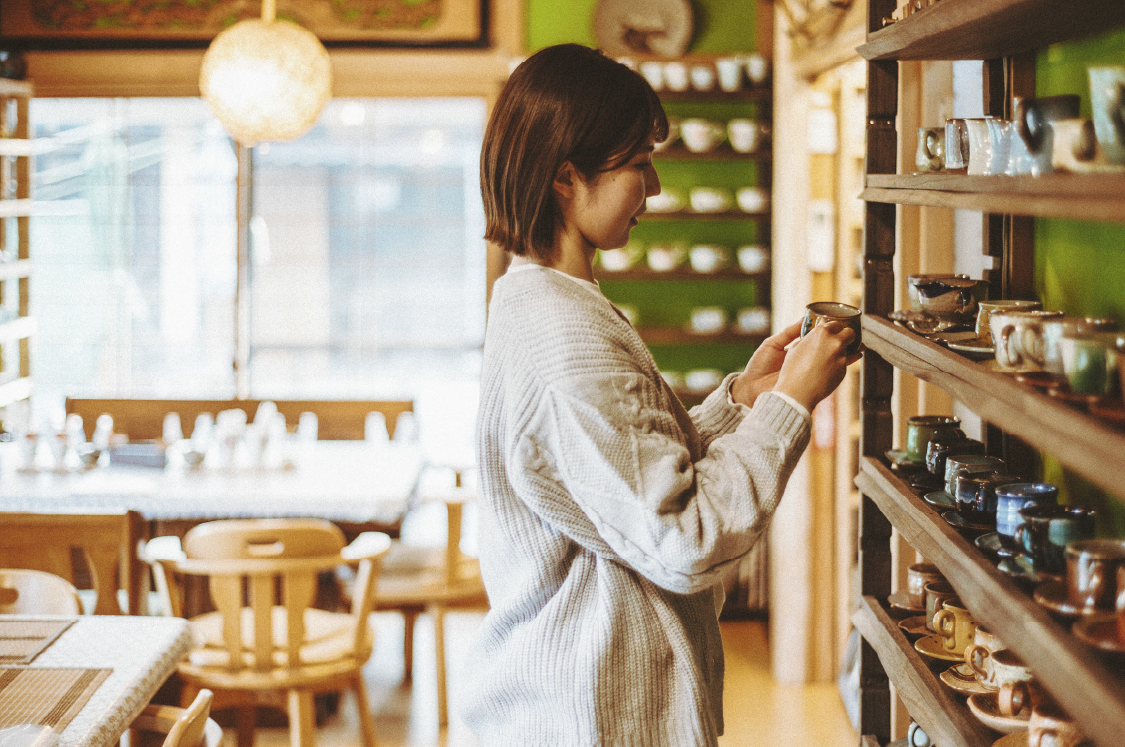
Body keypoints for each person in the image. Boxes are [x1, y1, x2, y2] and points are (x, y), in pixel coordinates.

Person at [462, 43, 859, 745]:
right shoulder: (563, 337)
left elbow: (619, 479)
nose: (654, 185)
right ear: (565, 178)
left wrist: (741, 400)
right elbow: (683, 536)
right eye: (637, 162)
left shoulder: (544, 302)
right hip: (592, 716)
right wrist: (788, 407)